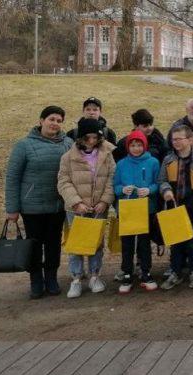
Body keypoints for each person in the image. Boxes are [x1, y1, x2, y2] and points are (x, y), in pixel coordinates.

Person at [5, 106, 73, 299]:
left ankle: (51, 278)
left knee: (53, 244)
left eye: (59, 121)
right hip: (32, 207)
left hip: (57, 205)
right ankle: (36, 281)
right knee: (34, 245)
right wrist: (12, 208)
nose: (55, 124)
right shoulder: (24, 145)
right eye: (51, 119)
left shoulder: (68, 143)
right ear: (41, 120)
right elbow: (12, 177)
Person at [57, 118, 116, 298]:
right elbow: (63, 181)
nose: (92, 141)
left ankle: (95, 275)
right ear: (80, 138)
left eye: (95, 137)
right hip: (76, 209)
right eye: (87, 137)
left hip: (98, 207)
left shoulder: (107, 153)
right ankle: (76, 278)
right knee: (77, 243)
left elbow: (112, 178)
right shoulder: (68, 157)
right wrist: (77, 203)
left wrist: (105, 201)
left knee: (96, 242)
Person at [159, 125, 193, 290]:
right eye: (173, 139)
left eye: (179, 139)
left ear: (189, 140)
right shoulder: (168, 160)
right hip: (175, 205)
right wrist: (166, 190)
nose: (176, 142)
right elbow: (161, 180)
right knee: (176, 241)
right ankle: (176, 272)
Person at [113, 130, 160, 293]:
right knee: (127, 243)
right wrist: (122, 189)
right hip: (127, 209)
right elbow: (115, 186)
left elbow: (157, 184)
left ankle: (146, 271)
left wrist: (149, 190)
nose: (136, 148)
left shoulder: (153, 162)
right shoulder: (121, 164)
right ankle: (127, 272)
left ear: (144, 146)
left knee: (144, 242)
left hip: (146, 208)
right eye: (133, 145)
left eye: (139, 145)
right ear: (128, 147)